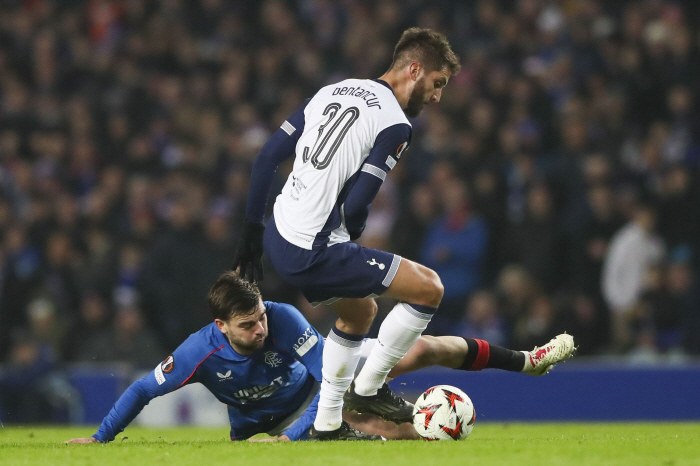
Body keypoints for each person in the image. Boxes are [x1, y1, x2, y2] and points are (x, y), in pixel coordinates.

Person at [233, 26, 503, 440]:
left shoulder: (331, 91)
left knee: (360, 312)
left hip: (278, 234)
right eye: (437, 84)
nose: (437, 97)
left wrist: (253, 228)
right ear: (414, 70)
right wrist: (351, 232)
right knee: (429, 288)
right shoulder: (395, 124)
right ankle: (369, 390)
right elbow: (358, 205)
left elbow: (267, 157)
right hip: (313, 248)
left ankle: (326, 425)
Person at [67, 271, 575, 443]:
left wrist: (296, 435)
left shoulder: (284, 318)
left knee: (421, 348)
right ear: (221, 327)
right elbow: (139, 389)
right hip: (269, 424)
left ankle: (528, 359)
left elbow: (326, 380)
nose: (261, 327)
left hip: (315, 396)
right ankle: (420, 425)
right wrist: (98, 438)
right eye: (248, 325)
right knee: (391, 434)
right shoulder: (197, 353)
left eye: (261, 315)